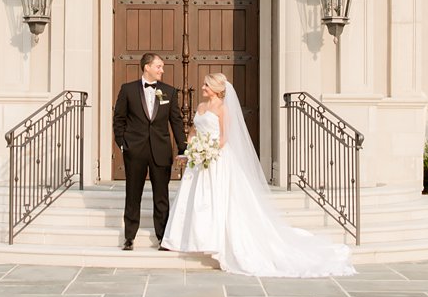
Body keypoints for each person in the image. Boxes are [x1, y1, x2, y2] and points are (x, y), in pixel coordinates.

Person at [162, 73, 355, 277]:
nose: (202, 88)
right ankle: (192, 239)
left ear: (217, 89)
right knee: (196, 200)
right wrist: (192, 149)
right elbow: (193, 131)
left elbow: (224, 137)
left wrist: (207, 152)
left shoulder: (222, 109)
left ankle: (216, 241)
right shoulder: (201, 108)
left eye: (206, 85)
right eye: (203, 84)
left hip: (216, 159)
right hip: (199, 161)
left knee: (218, 199)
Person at [112, 52, 186, 250]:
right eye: (159, 66)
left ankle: (163, 238)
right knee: (132, 194)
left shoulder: (169, 92)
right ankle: (129, 237)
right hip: (134, 150)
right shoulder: (127, 90)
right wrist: (122, 142)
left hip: (160, 151)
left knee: (161, 196)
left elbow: (176, 121)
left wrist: (182, 147)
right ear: (147, 67)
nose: (162, 70)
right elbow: (119, 118)